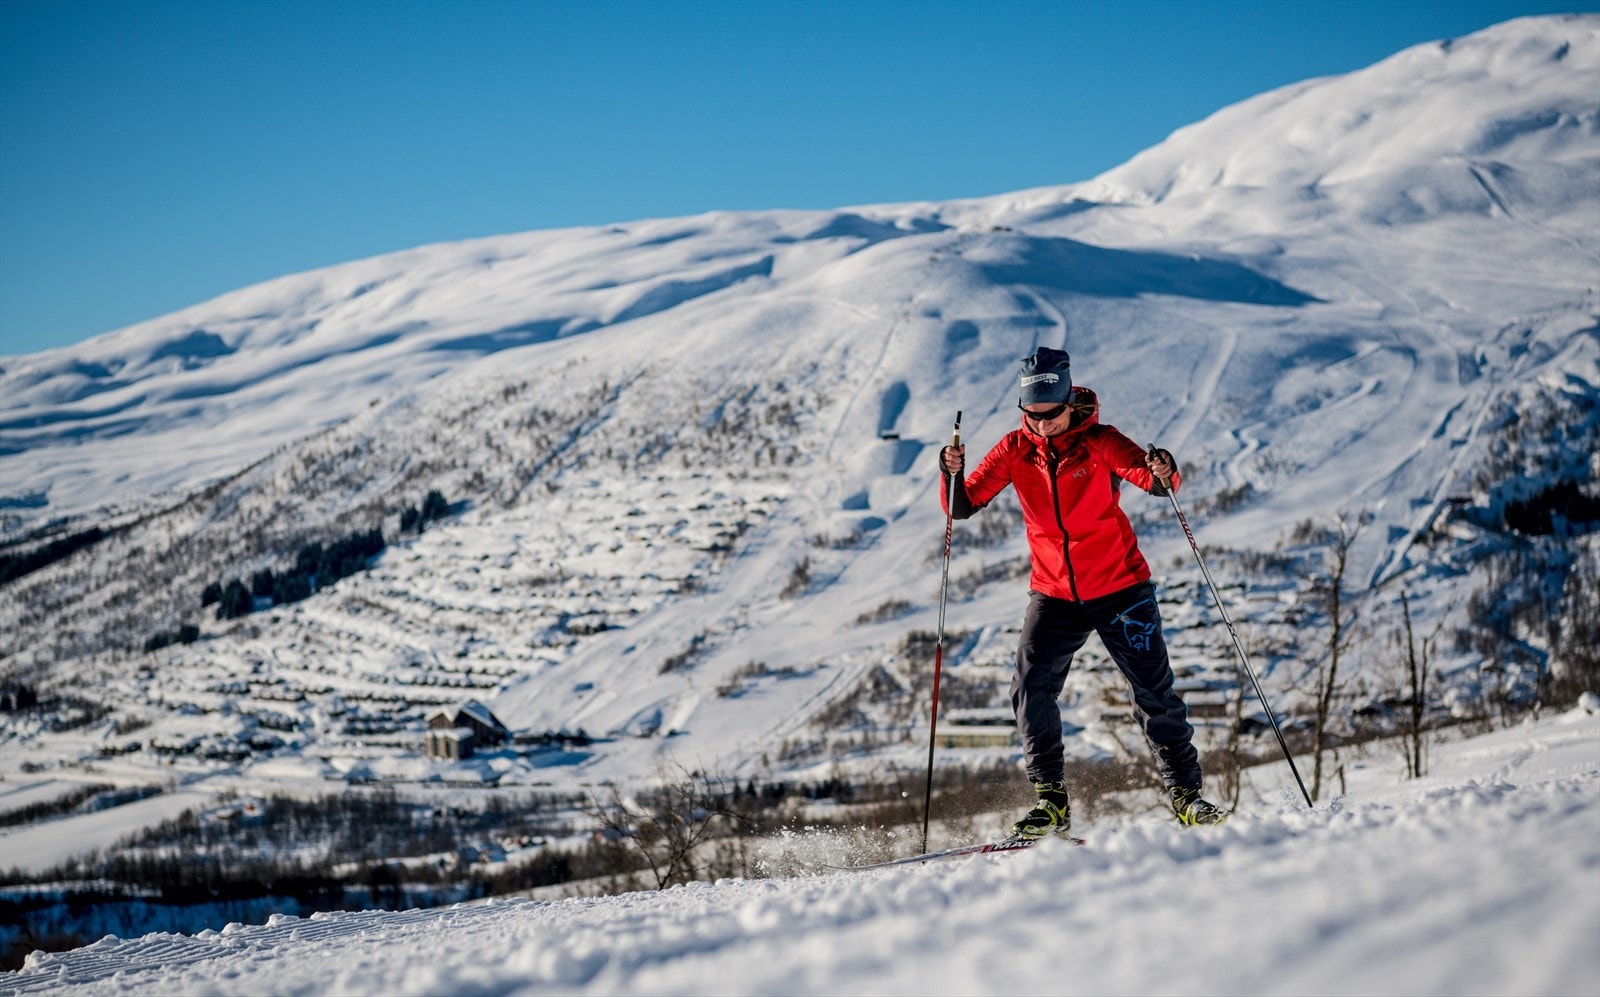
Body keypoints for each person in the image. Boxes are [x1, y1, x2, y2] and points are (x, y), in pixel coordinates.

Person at [939, 346, 1226, 837]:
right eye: (1033, 415)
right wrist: (949, 471)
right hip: (1054, 594)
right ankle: (1051, 802)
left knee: (1153, 694)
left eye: (1051, 415)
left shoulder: (1100, 441)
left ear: (1070, 401)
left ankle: (1186, 797)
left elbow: (1155, 481)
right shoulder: (1014, 449)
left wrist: (1164, 469)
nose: (1043, 425)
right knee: (1030, 689)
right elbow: (962, 507)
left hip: (1121, 588)